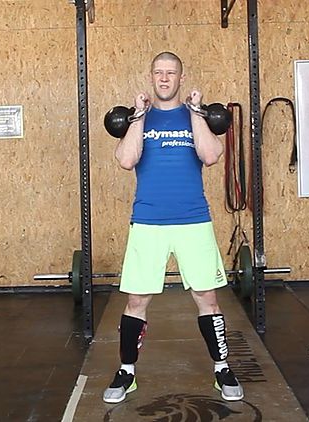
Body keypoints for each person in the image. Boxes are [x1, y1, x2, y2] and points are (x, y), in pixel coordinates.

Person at [102, 51, 244, 404]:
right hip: (148, 220)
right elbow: (125, 160)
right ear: (151, 77)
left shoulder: (197, 115)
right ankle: (127, 372)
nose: (164, 79)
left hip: (193, 219)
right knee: (136, 300)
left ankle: (222, 368)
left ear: (181, 78)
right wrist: (137, 116)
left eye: (171, 73)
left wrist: (196, 111)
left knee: (206, 298)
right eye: (158, 73)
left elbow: (211, 155)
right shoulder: (141, 119)